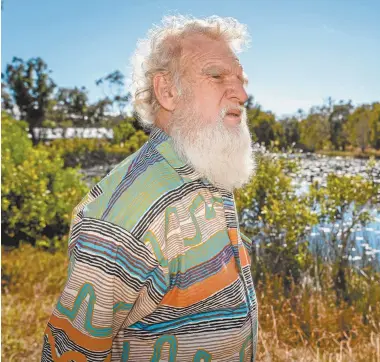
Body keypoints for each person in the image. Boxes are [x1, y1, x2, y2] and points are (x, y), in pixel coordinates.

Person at [41, 15, 258, 362]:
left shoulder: (209, 171)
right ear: (168, 91)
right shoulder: (121, 220)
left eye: (241, 80)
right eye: (217, 76)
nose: (243, 93)